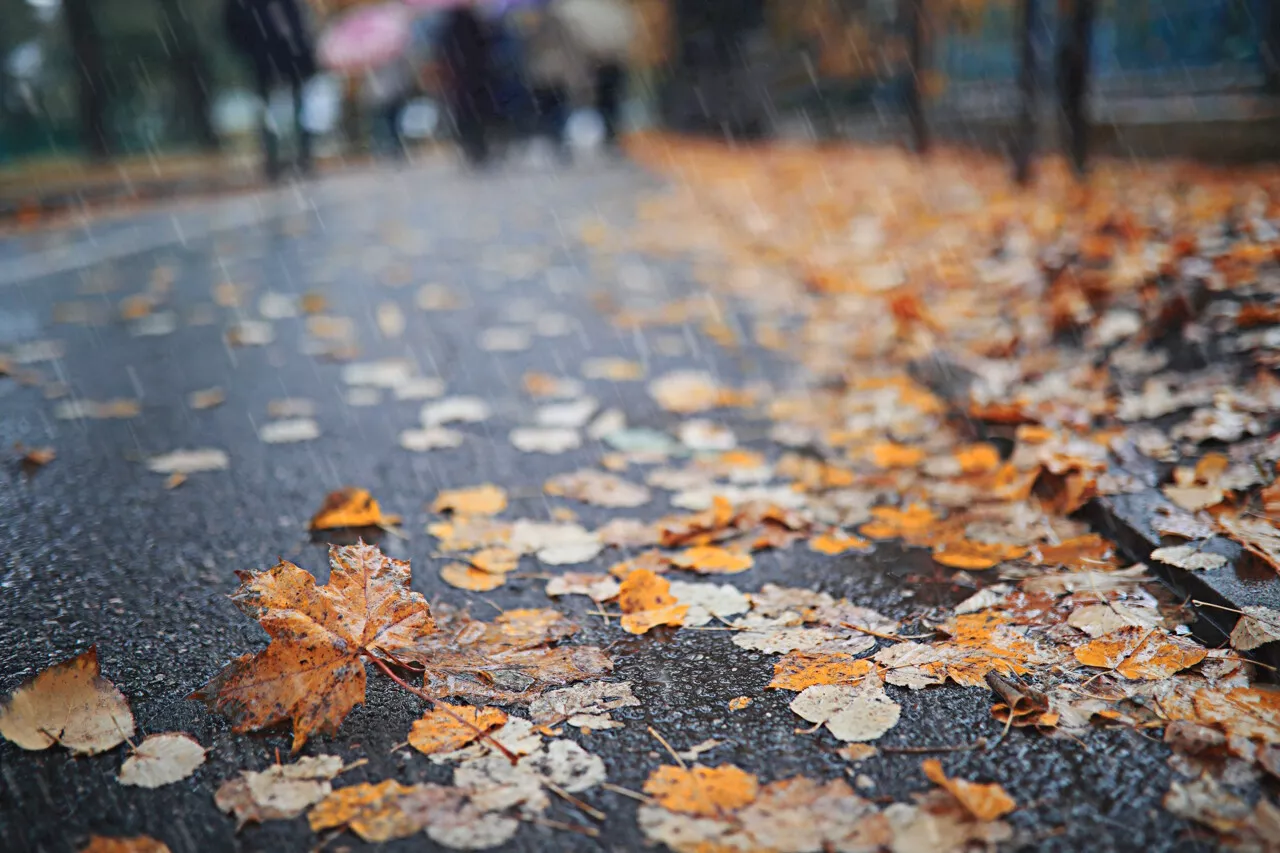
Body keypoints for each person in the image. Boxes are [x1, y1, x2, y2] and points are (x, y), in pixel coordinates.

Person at [224, 0, 317, 181]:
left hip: (290, 54)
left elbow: (298, 18)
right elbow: (233, 25)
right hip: (266, 55)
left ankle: (300, 156)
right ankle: (276, 159)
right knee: (269, 109)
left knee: (296, 107)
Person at [525, 8, 590, 157]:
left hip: (544, 76)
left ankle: (554, 140)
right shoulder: (558, 26)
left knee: (550, 112)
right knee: (557, 111)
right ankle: (557, 140)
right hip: (552, 76)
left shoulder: (535, 27)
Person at [437, 4, 494, 167]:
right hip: (476, 77)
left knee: (464, 114)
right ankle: (478, 147)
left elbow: (444, 51)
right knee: (477, 113)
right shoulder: (475, 24)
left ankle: (471, 147)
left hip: (460, 79)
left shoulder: (449, 27)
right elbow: (485, 47)